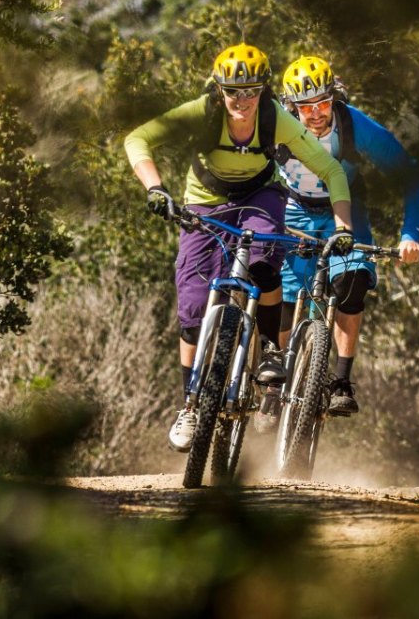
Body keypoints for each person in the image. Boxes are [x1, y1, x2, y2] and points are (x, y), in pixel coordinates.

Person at [124, 43, 355, 453]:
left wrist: (342, 225)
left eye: (251, 91)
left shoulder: (275, 119)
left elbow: (331, 169)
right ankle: (190, 405)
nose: (242, 101)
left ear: (264, 90)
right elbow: (137, 139)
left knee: (266, 264)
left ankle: (268, 349)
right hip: (205, 201)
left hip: (261, 196)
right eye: (233, 92)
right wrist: (155, 188)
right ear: (219, 90)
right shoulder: (203, 113)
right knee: (193, 310)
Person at [273, 55, 419, 415]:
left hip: (346, 210)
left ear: (335, 98)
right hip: (293, 209)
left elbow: (410, 175)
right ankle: (275, 380)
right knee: (281, 295)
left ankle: (341, 381)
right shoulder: (276, 126)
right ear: (290, 106)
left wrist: (410, 233)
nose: (315, 114)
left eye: (323, 103)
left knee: (353, 281)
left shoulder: (355, 126)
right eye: (304, 107)